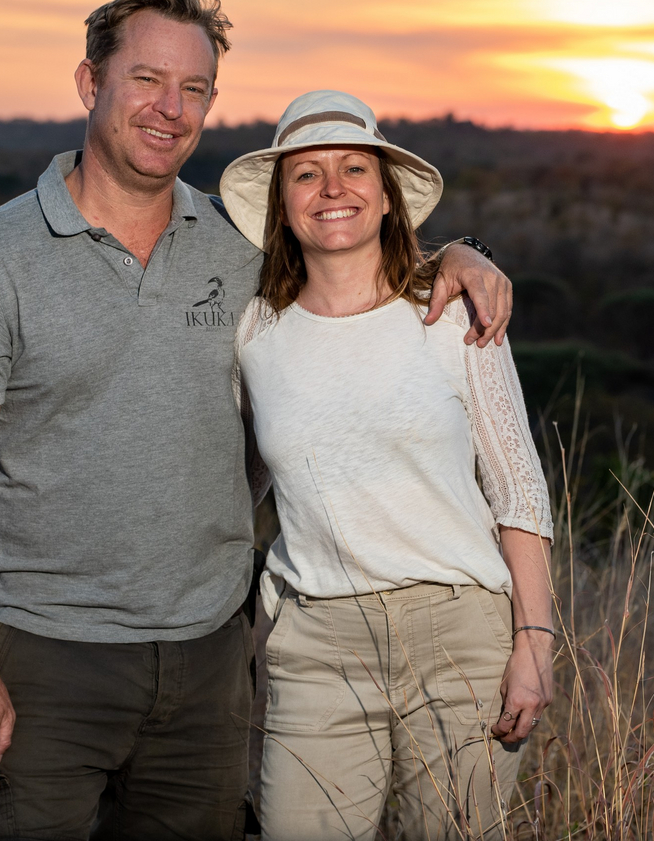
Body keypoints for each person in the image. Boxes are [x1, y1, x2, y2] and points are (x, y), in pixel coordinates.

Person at [0, 0, 513, 841]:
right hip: (49, 658)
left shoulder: (240, 252)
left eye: (193, 89)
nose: (170, 109)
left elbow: (358, 271)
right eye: (147, 79)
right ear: (90, 83)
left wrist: (466, 252)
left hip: (210, 661)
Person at [222, 90, 556, 840]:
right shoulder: (253, 334)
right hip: (317, 646)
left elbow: (519, 491)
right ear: (281, 205)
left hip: (460, 634)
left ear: (385, 196)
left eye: (353, 169)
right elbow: (237, 486)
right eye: (306, 174)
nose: (332, 188)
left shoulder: (453, 316)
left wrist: (534, 643)